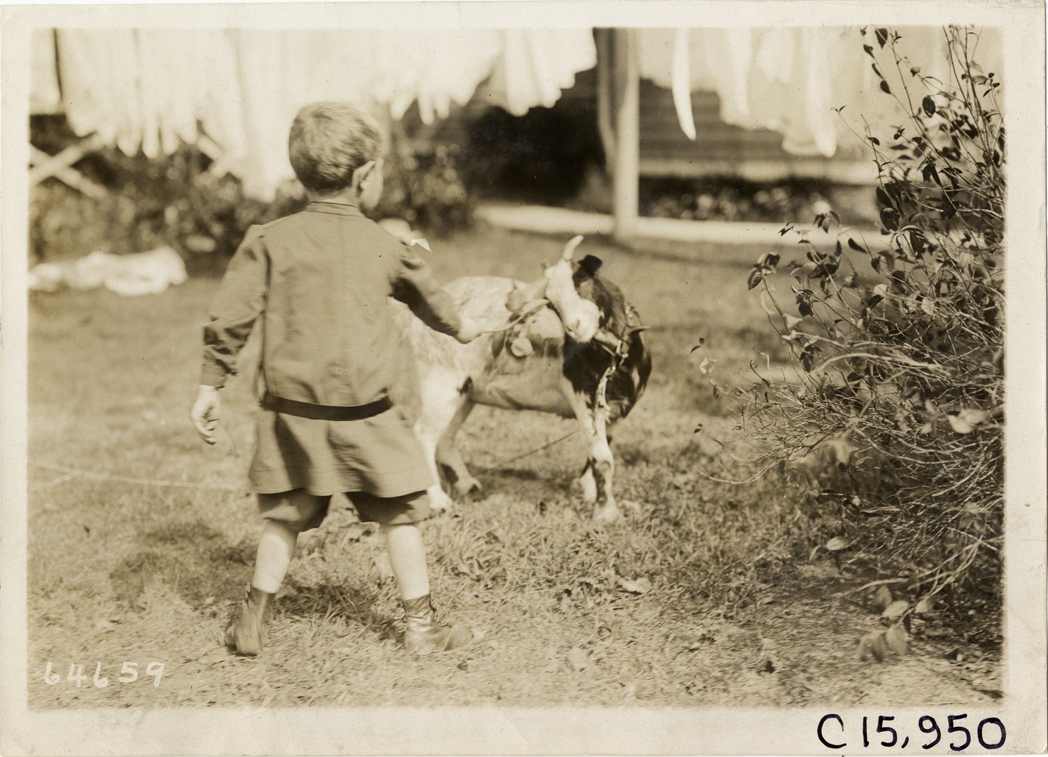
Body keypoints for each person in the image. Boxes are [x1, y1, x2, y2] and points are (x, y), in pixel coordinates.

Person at [190, 101, 480, 657]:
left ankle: (252, 620)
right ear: (366, 176)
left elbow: (230, 316)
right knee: (400, 514)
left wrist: (210, 384)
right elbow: (431, 299)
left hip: (291, 414)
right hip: (368, 413)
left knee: (283, 518)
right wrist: (464, 327)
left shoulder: (270, 240)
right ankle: (420, 627)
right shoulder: (388, 245)